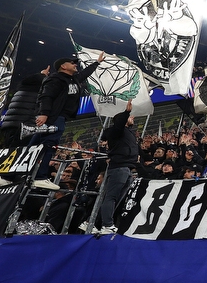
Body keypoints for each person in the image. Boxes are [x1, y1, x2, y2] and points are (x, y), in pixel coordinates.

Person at [30, 52, 104, 190]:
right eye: (72, 63)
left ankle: (20, 174)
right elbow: (46, 96)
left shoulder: (73, 79)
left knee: (36, 145)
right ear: (63, 66)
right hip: (53, 117)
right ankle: (39, 177)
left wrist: (97, 63)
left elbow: (85, 74)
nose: (75, 65)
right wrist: (44, 113)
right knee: (48, 146)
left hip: (60, 117)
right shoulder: (56, 79)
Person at [90, 99, 138, 235]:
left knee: (116, 198)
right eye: (130, 116)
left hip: (127, 168)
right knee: (111, 197)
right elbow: (118, 125)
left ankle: (96, 223)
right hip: (119, 167)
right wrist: (126, 112)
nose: (132, 117)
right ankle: (107, 224)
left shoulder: (127, 133)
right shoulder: (116, 131)